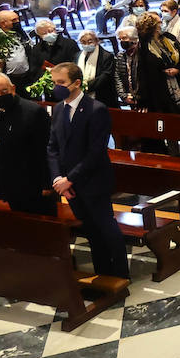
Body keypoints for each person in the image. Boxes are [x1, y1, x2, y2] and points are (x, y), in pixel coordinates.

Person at [45, 63, 128, 278]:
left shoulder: (96, 109)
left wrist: (69, 179)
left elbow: (96, 152)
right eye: (54, 83)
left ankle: (121, 275)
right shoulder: (58, 109)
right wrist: (58, 180)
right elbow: (52, 147)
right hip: (69, 185)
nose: (56, 87)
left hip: (93, 181)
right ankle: (103, 273)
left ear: (76, 83)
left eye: (60, 83)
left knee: (107, 228)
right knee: (90, 231)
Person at [135, 13, 180, 116]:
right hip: (160, 90)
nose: (162, 23)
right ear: (153, 26)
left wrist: (178, 69)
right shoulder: (144, 46)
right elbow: (143, 73)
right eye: (159, 22)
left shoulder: (169, 38)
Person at [75, 30, 118, 107]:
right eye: (83, 42)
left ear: (96, 41)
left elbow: (106, 76)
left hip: (102, 95)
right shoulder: (78, 55)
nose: (87, 44)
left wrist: (85, 87)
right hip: (81, 95)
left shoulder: (107, 56)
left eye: (90, 41)